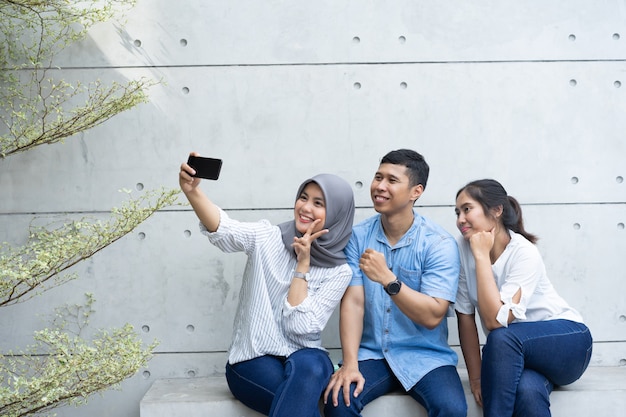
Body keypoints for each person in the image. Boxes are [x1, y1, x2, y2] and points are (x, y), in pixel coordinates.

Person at [179, 152, 356, 417]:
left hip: (306, 355)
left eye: (319, 203)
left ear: (337, 214)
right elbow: (224, 229)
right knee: (300, 407)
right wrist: (192, 192)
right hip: (252, 359)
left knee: (313, 367)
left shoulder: (339, 271)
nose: (306, 208)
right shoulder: (268, 237)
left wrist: (303, 266)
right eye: (303, 197)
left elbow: (300, 328)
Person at [324, 149, 467, 417]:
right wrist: (351, 364)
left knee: (452, 409)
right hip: (371, 355)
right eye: (378, 177)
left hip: (426, 357)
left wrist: (388, 279)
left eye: (392, 180)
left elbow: (433, 315)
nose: (380, 186)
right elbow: (354, 303)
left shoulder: (438, 244)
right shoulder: (357, 237)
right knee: (338, 403)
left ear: (416, 191)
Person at [454, 179, 593, 417]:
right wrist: (476, 379)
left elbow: (495, 322)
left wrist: (481, 257)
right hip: (520, 357)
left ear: (496, 210)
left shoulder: (523, 252)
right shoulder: (462, 247)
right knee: (528, 391)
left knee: (501, 338)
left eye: (467, 209)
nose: (460, 220)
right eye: (457, 212)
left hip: (568, 343)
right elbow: (465, 316)